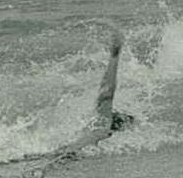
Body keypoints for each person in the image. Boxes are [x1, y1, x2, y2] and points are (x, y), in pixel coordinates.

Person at [53, 30, 133, 159]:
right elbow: (106, 93)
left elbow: (105, 93)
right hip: (69, 154)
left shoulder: (96, 129)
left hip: (66, 154)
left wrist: (114, 55)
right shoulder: (102, 126)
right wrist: (115, 56)